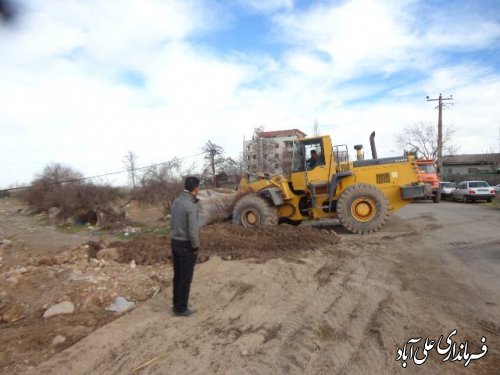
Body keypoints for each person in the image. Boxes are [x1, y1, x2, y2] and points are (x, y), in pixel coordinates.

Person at [170, 176, 201, 317]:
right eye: (199, 187)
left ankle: (176, 304)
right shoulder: (191, 206)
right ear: (195, 189)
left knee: (178, 275)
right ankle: (181, 309)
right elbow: (193, 230)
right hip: (186, 245)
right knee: (186, 278)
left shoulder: (176, 202)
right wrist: (195, 247)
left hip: (174, 242)